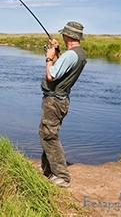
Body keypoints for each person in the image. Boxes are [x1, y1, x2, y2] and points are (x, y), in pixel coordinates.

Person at [39, 21, 87, 188]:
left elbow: (52, 75)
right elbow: (62, 68)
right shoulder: (78, 53)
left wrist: (49, 57)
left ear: (69, 36)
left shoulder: (71, 55)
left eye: (63, 34)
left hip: (54, 101)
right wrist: (57, 51)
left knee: (49, 135)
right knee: (46, 132)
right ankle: (47, 169)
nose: (62, 36)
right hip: (60, 100)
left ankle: (62, 176)